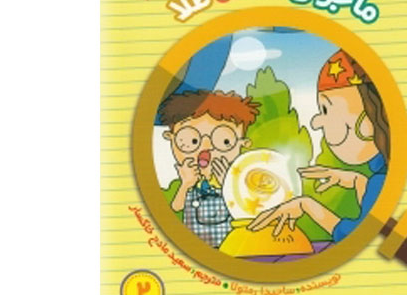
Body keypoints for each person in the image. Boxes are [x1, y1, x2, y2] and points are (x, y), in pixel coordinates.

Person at [248, 50, 389, 241]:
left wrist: (306, 205)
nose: (316, 123)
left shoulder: (381, 180)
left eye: (325, 109)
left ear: (366, 122)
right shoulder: (383, 172)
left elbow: (358, 237)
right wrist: (357, 180)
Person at [159, 90, 259, 248]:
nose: (206, 148)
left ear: (243, 143)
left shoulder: (237, 183)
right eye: (191, 141)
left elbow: (247, 211)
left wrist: (227, 185)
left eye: (224, 141)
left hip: (231, 248)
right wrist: (185, 185)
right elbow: (177, 207)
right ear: (171, 138)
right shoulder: (191, 182)